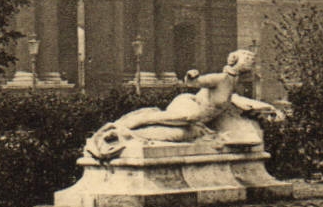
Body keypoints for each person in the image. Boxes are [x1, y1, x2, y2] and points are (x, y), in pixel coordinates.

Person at [86, 49, 283, 160]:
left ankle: (129, 135)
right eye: (248, 59)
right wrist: (192, 76)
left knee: (178, 134)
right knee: (182, 118)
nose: (251, 62)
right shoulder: (222, 78)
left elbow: (235, 99)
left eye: (252, 59)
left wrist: (267, 107)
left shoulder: (233, 82)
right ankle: (123, 125)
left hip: (199, 122)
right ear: (235, 60)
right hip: (190, 107)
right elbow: (195, 83)